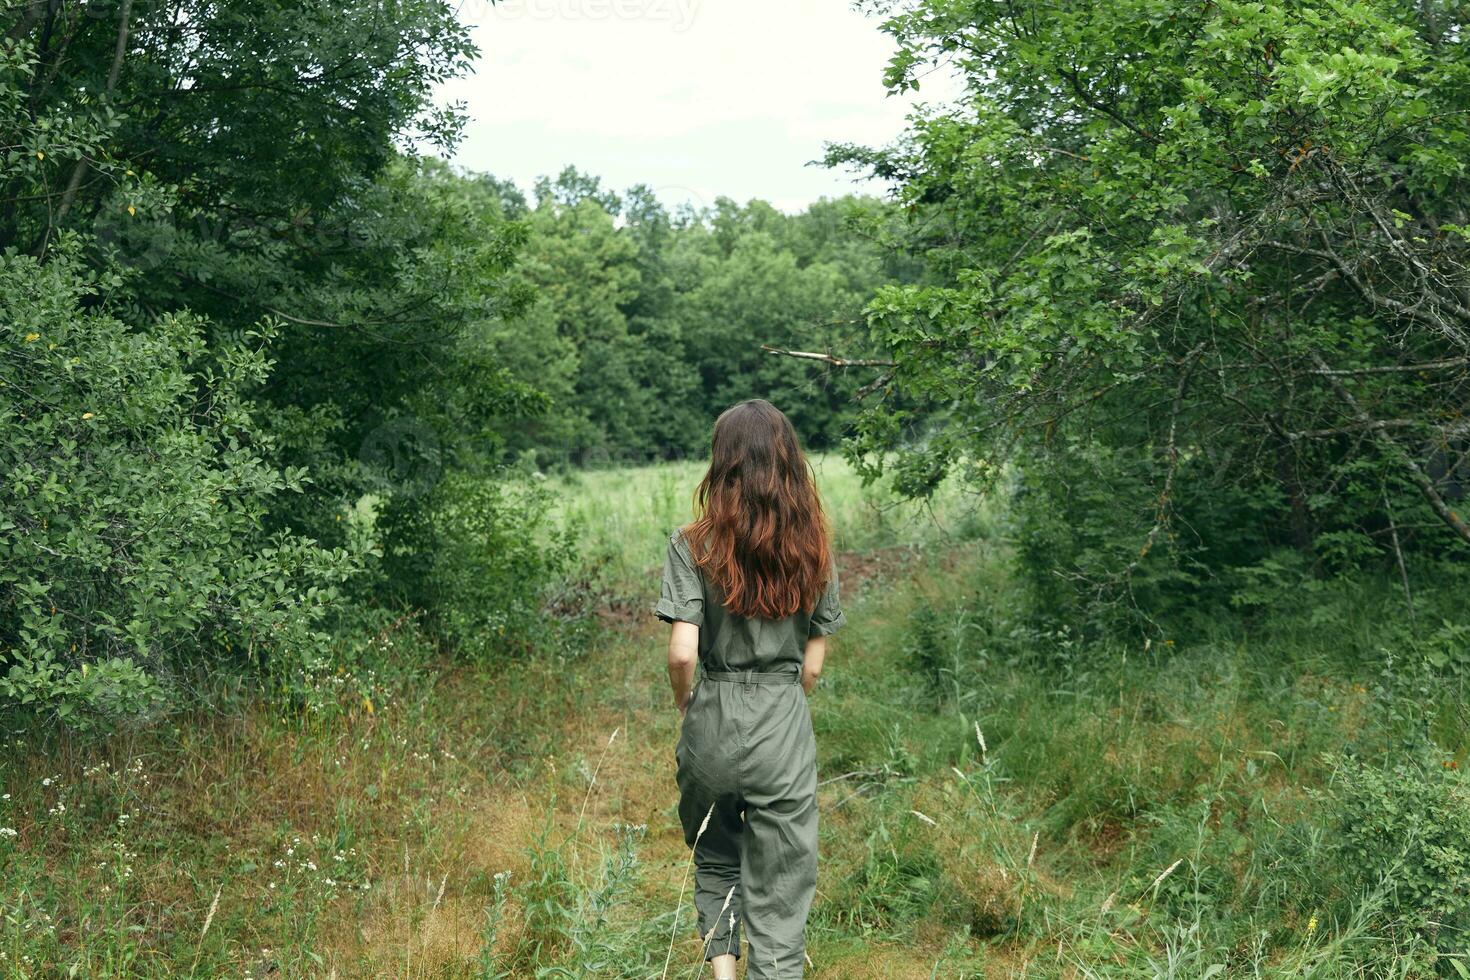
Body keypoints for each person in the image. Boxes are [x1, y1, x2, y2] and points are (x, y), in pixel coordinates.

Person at [656, 399, 846, 979]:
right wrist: (783, 702)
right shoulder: (813, 544)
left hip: (712, 711)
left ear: (723, 463)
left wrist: (687, 702)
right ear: (788, 463)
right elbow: (813, 664)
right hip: (781, 714)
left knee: (716, 854)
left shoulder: (693, 543)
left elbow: (682, 650)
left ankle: (723, 975)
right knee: (781, 879)